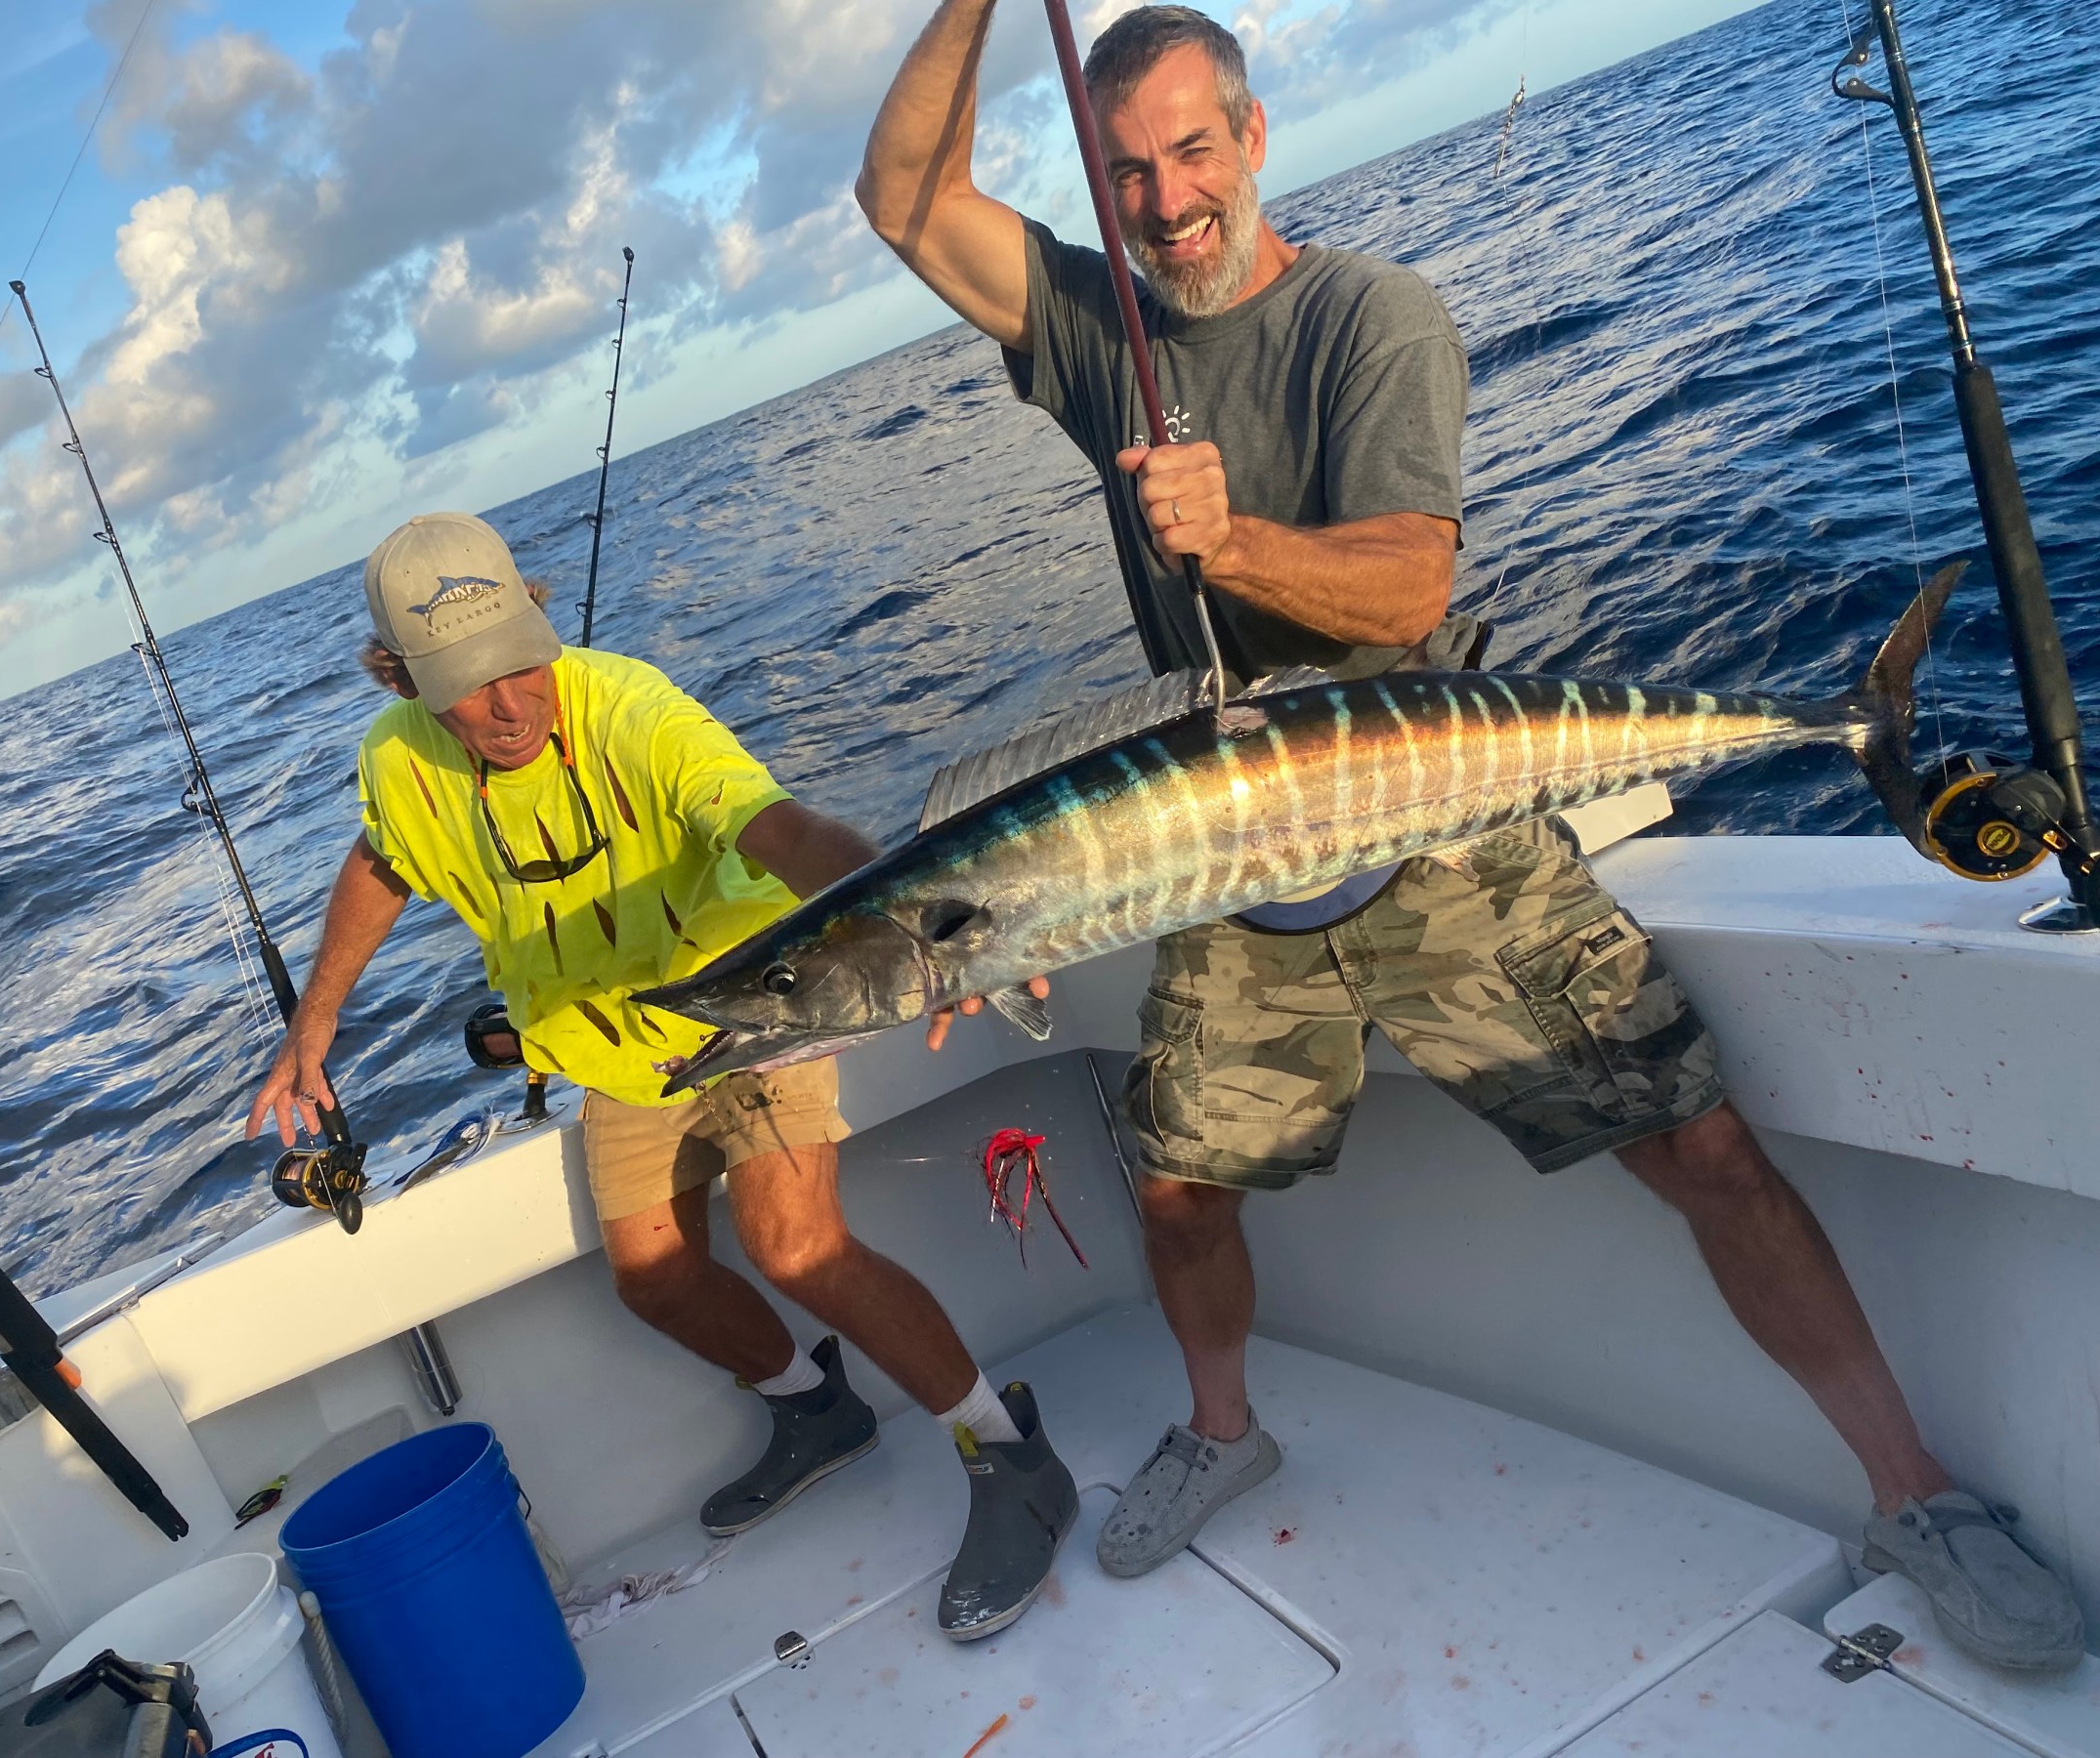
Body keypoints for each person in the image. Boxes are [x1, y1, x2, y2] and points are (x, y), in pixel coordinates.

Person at [856, 2, 2082, 1672]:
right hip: (1231, 856)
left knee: (1695, 1143)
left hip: (1424, 806)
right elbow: (905, 196)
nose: (1166, 197)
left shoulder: (1374, 314)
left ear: (1254, 135)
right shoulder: (1096, 328)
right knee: (1180, 1191)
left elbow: (1409, 586)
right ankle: (1226, 1432)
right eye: (1126, 168)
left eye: (1193, 149)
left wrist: (1231, 544)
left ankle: (1914, 1491)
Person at [246, 511, 1075, 1641]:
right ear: (402, 682)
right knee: (651, 1274)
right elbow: (382, 863)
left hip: (752, 1008)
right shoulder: (400, 762)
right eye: (466, 686)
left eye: (519, 663)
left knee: (797, 1244)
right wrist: (315, 1023)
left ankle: (1012, 1454)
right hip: (612, 1044)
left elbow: (784, 829)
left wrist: (920, 927)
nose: (508, 704)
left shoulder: (631, 707)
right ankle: (812, 1409)